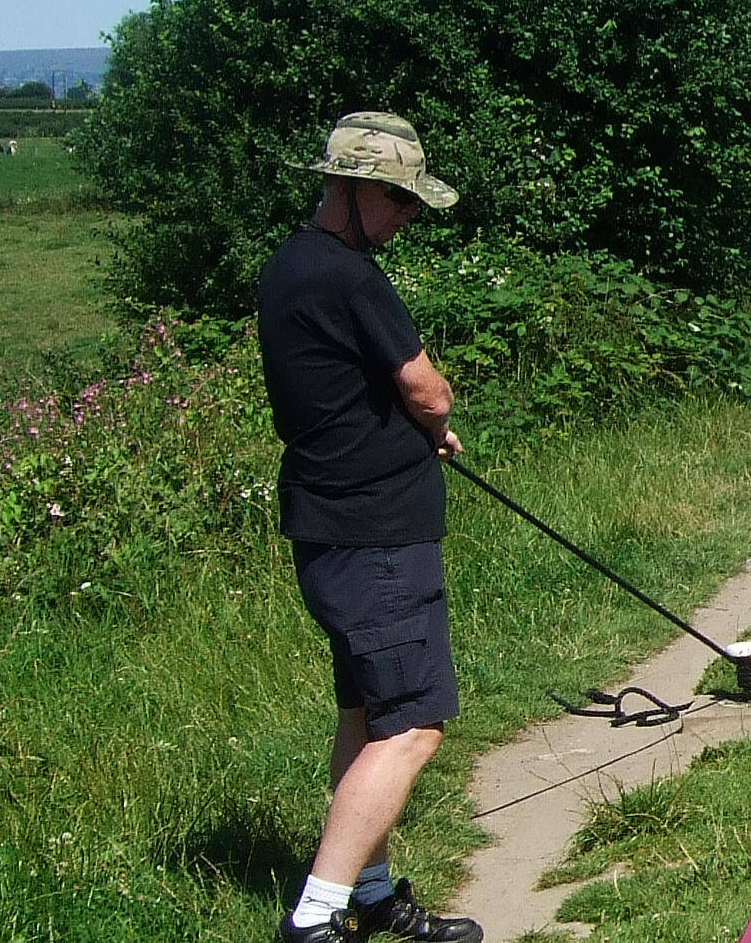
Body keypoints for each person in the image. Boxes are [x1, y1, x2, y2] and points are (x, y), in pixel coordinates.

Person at [260, 111, 482, 943]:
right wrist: (429, 421)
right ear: (351, 189)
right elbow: (428, 391)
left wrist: (412, 430)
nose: (406, 217)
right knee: (417, 727)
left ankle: (375, 894)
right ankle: (314, 918)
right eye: (397, 200)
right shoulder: (352, 278)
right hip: (376, 541)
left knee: (366, 720)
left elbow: (347, 396)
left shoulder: (289, 266)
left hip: (330, 529)